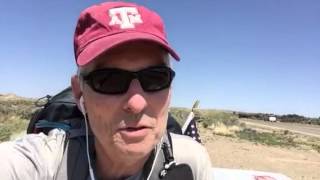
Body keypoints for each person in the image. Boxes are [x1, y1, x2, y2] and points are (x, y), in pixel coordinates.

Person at [0, 1, 212, 180]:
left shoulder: (191, 162)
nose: (136, 103)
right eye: (110, 80)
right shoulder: (42, 163)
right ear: (79, 92)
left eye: (156, 79)